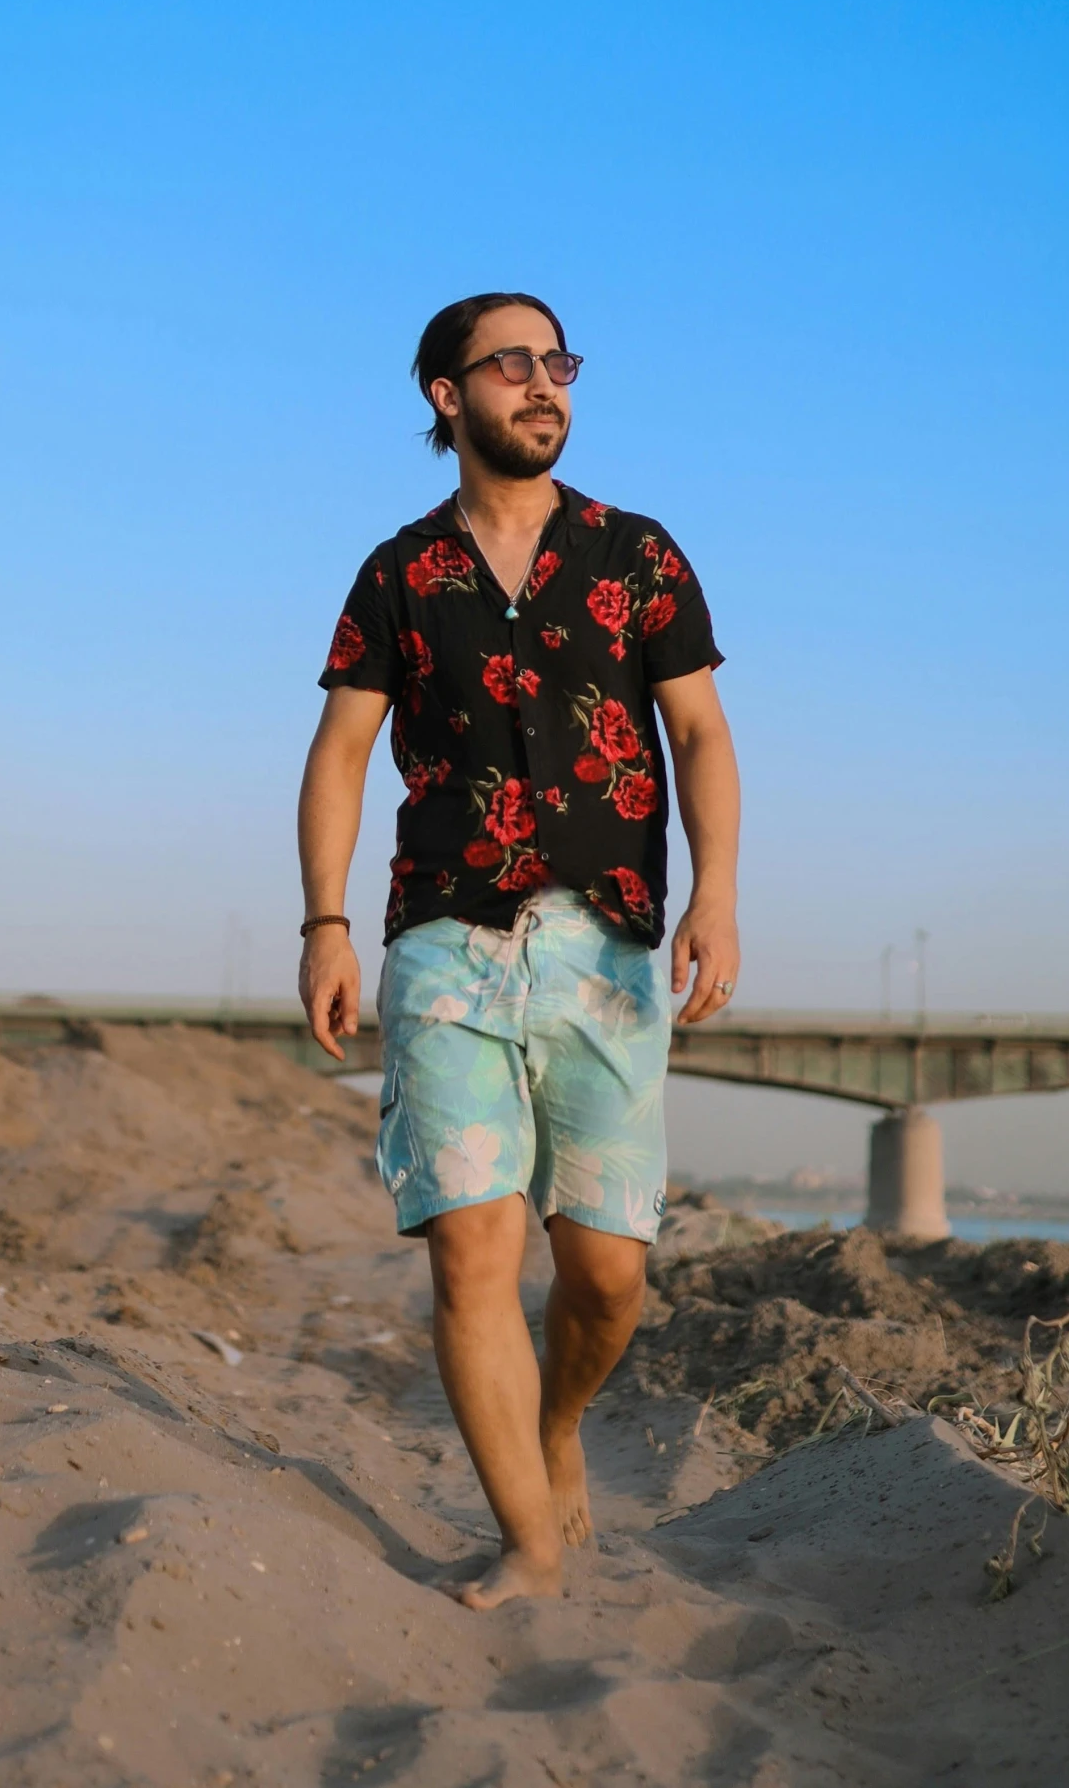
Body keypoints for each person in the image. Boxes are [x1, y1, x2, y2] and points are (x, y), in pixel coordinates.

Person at [297, 292, 740, 1609]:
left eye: (560, 364)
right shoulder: (396, 575)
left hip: (607, 947)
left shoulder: (637, 554)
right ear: (449, 396)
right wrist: (324, 921)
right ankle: (530, 1547)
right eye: (514, 364)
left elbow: (701, 736)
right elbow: (339, 755)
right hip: (444, 937)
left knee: (606, 1275)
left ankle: (559, 1424)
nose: (545, 385)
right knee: (473, 1248)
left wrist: (717, 890)